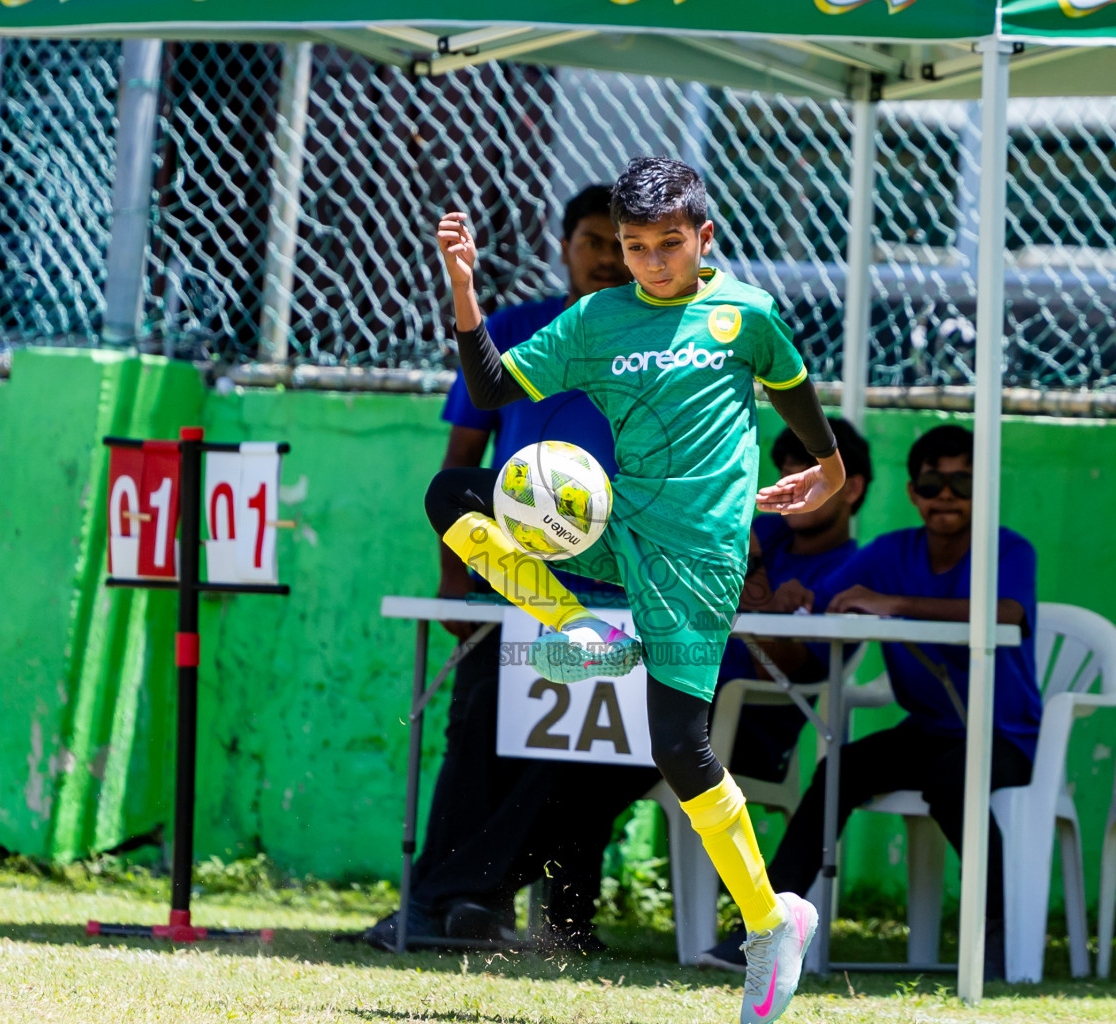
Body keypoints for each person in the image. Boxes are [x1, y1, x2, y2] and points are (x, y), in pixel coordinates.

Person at [426, 157, 844, 1024]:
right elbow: (490, 387)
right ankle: (578, 627)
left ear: (704, 237)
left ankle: (773, 921)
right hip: (617, 528)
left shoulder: (746, 313)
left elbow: (795, 390)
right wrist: (464, 289)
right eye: (635, 246)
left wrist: (830, 469)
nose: (652, 261)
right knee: (452, 495)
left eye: (669, 244)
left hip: (699, 558)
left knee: (679, 748)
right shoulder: (596, 318)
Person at [360, 185, 655, 954]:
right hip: (513, 582)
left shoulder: (664, 346)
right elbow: (462, 458)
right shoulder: (515, 332)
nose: (606, 257)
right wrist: (454, 578)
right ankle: (462, 905)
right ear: (564, 248)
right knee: (479, 731)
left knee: (582, 751)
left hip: (619, 586)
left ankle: (510, 911)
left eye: (621, 244)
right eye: (593, 241)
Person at [700, 425, 1039, 982]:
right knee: (839, 771)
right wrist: (795, 596)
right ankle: (761, 930)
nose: (945, 495)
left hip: (1004, 733)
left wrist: (894, 605)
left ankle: (996, 934)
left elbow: (1006, 614)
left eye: (961, 482)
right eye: (931, 484)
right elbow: (824, 600)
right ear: (912, 493)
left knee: (953, 782)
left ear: (984, 489)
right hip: (928, 730)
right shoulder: (890, 551)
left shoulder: (1008, 549)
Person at [721, 419, 870, 784]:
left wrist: (751, 567)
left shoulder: (854, 575)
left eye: (805, 482)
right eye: (785, 479)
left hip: (746, 732)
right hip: (681, 705)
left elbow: (778, 671)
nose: (789, 493)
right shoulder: (769, 530)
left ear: (851, 488)